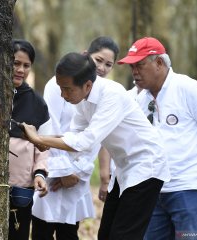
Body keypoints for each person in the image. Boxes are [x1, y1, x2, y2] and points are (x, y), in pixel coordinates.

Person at [21, 52, 171, 240]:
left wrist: (40, 140)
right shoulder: (83, 100)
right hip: (124, 170)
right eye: (60, 88)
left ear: (88, 85)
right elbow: (74, 136)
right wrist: (44, 143)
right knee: (106, 234)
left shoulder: (112, 95)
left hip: (147, 168)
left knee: (123, 235)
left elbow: (86, 141)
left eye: (67, 89)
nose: (63, 94)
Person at [117, 37, 197, 240]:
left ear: (159, 63)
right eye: (132, 67)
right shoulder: (140, 99)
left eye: (139, 65)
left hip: (189, 188)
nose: (134, 72)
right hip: (154, 189)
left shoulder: (189, 88)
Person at [31, 36, 119, 240]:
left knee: (69, 231)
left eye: (108, 64)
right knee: (42, 229)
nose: (102, 68)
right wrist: (62, 170)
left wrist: (77, 171)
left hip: (78, 171)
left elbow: (93, 139)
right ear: (86, 56)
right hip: (53, 164)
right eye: (98, 60)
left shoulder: (102, 94)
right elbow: (49, 125)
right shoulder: (59, 84)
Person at [8, 39, 50, 240]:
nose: (20, 70)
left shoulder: (38, 103)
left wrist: (40, 174)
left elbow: (44, 145)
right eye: (15, 63)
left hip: (21, 189)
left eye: (26, 65)